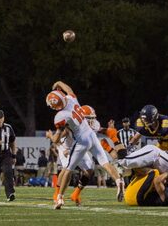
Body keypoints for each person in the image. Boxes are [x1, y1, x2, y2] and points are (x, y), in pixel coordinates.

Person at [46, 80, 125, 209]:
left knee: (67, 170)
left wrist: (50, 136)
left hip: (81, 140)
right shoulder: (71, 99)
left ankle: (59, 198)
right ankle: (118, 181)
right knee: (105, 163)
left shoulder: (61, 115)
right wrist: (59, 83)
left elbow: (56, 139)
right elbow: (69, 90)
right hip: (91, 135)